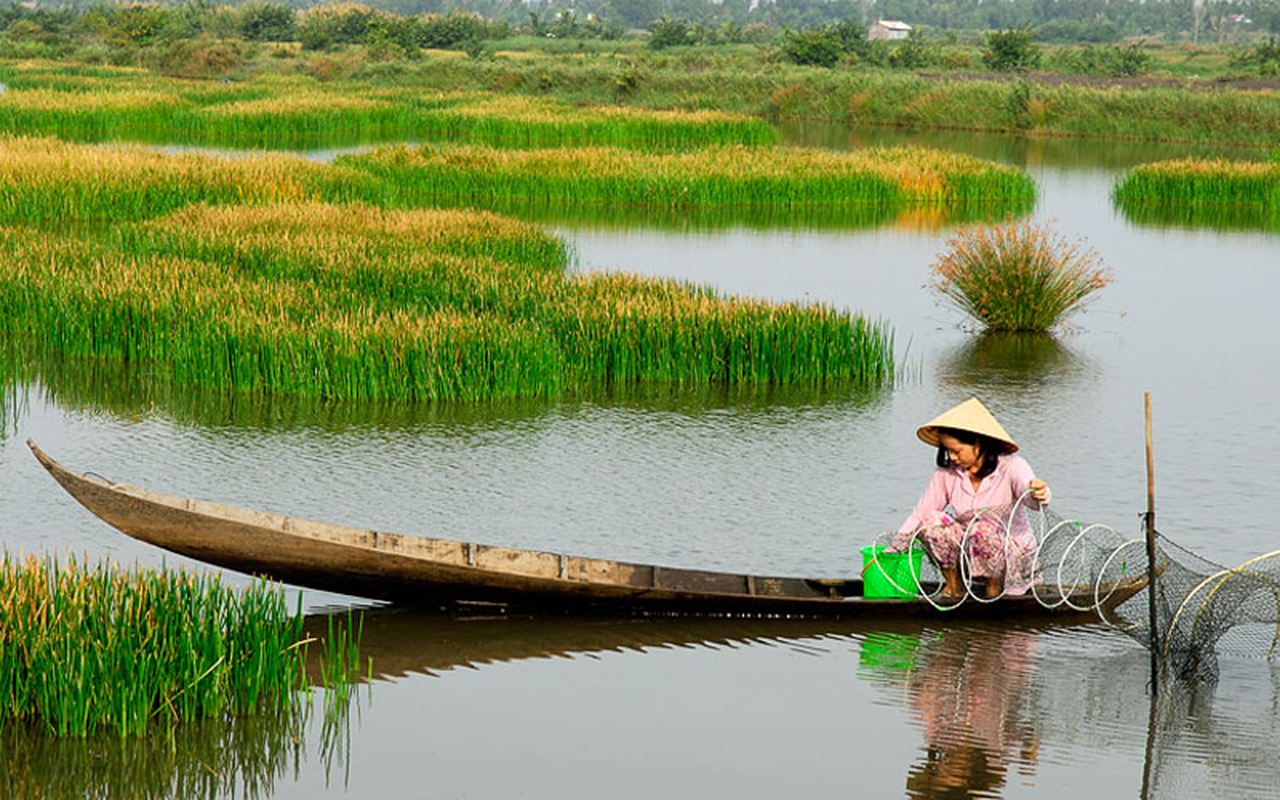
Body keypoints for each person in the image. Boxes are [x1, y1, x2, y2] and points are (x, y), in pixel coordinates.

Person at [888, 397, 1050, 599]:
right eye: (947, 451)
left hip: (1011, 559)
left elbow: (1030, 494)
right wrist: (893, 550)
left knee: (981, 527)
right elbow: (921, 513)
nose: (953, 457)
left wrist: (1038, 492)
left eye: (956, 451)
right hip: (970, 552)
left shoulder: (1012, 466)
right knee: (931, 522)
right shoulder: (946, 474)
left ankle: (994, 590)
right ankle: (955, 588)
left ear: (978, 443)